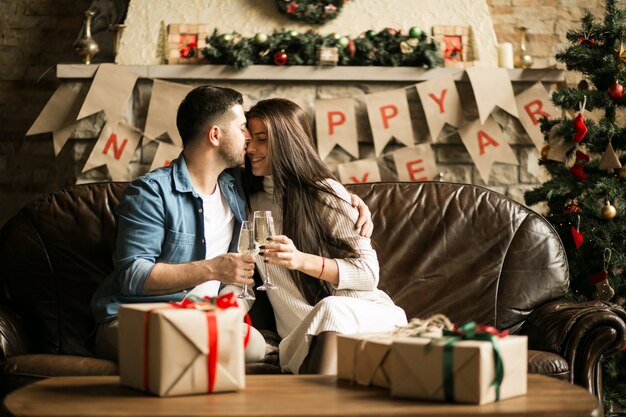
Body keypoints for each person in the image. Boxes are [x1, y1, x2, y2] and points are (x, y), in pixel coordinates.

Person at [90, 86, 373, 363]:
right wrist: (213, 268)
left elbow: (293, 179)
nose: (248, 140)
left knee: (253, 344)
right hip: (141, 315)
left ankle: (203, 352)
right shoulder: (151, 192)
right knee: (225, 344)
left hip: (203, 319)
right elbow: (131, 275)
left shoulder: (236, 187)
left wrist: (345, 198)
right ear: (215, 135)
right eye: (242, 129)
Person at [220, 98, 407, 375]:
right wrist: (217, 317)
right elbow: (243, 277)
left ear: (287, 143)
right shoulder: (248, 202)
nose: (250, 149)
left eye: (262, 140)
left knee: (330, 307)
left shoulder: (325, 194)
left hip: (365, 319)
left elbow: (368, 274)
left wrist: (299, 260)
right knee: (325, 314)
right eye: (249, 139)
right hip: (301, 336)